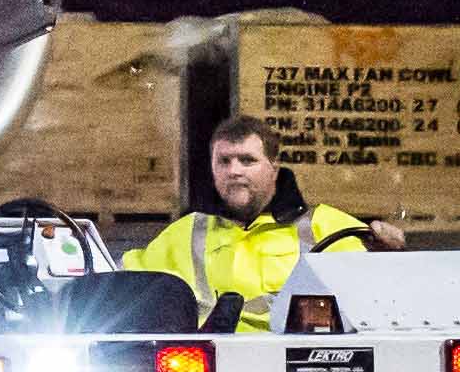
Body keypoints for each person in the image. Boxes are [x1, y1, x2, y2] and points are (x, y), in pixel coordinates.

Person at [122, 115, 402, 331]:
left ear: (274, 167)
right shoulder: (187, 230)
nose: (234, 170)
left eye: (247, 160)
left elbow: (376, 289)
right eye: (224, 161)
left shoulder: (324, 224)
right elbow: (125, 281)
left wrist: (388, 253)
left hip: (301, 370)